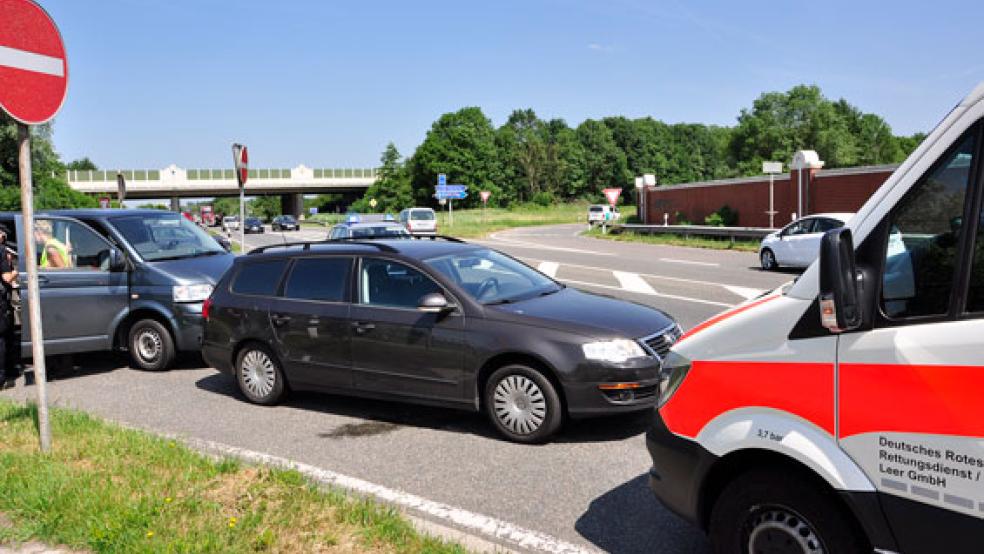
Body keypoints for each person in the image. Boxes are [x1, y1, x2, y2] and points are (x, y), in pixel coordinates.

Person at [0, 224, 17, 387]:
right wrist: (15, 272)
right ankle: (2, 378)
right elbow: (6, 278)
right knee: (2, 338)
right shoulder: (1, 252)